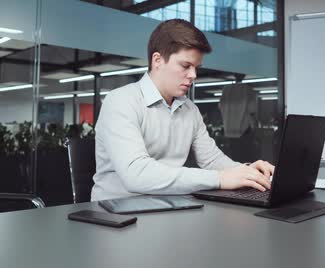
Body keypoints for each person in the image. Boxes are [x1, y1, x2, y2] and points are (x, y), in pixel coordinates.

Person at [91, 19, 275, 201]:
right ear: (157, 60)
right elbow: (136, 175)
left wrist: (247, 172)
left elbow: (211, 160)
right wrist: (219, 179)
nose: (193, 75)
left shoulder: (189, 110)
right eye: (185, 66)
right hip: (116, 214)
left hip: (169, 207)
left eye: (196, 68)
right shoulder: (121, 101)